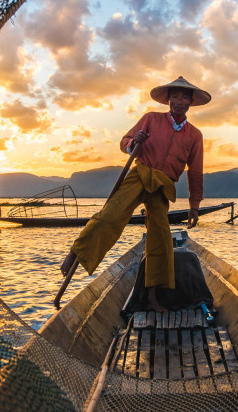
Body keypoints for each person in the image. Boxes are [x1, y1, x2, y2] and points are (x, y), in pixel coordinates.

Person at [60, 76, 211, 311]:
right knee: (111, 215)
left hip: (162, 186)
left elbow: (196, 172)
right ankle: (76, 252)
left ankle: (152, 298)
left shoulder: (194, 135)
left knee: (160, 240)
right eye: (175, 96)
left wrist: (194, 206)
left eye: (184, 97)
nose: (179, 101)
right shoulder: (151, 119)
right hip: (139, 174)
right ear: (168, 100)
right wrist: (134, 143)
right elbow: (125, 141)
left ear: (190, 102)